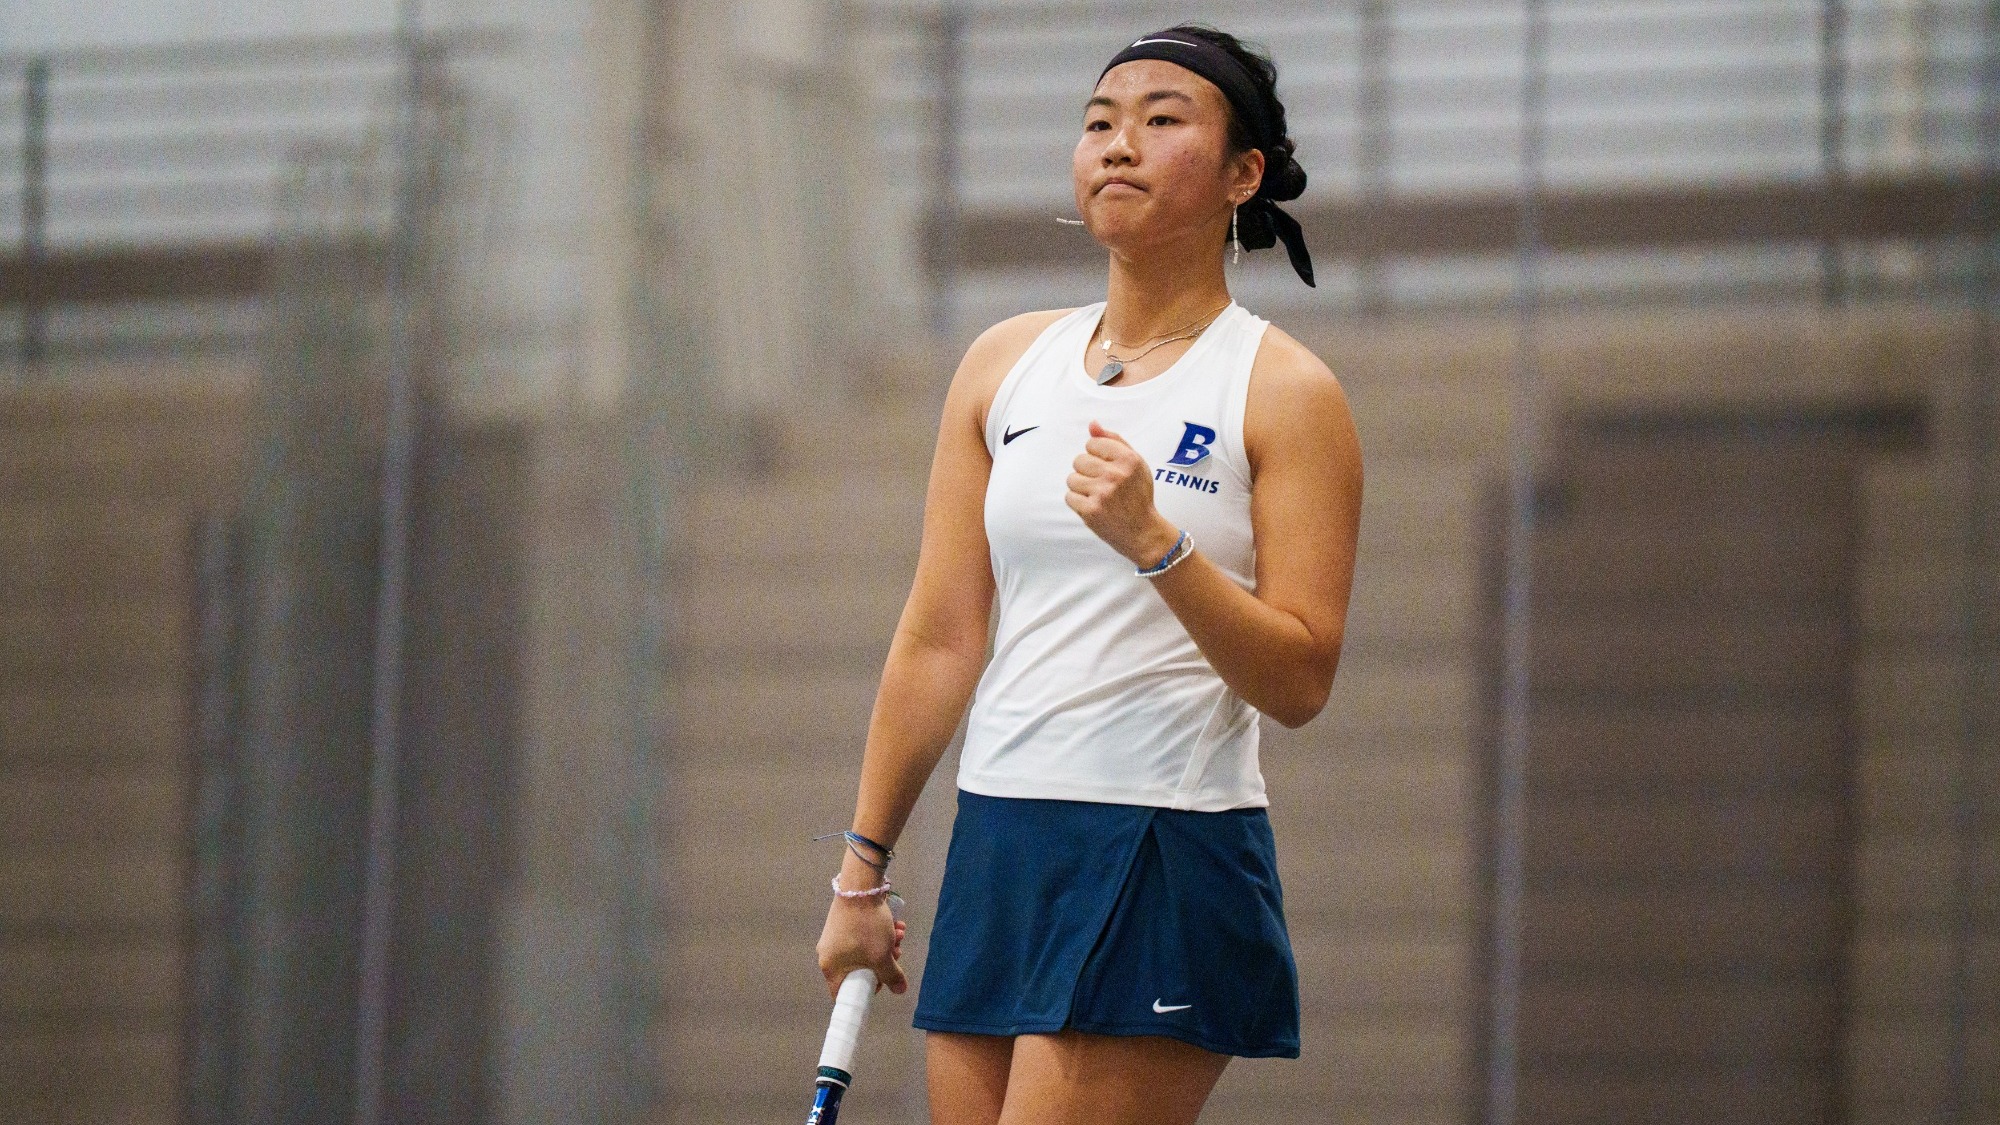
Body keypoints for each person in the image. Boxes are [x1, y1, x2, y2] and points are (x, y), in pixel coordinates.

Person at [815, 23, 1363, 1125]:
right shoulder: (1000, 365)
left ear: (1240, 175)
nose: (1118, 144)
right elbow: (938, 637)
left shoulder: (1285, 392)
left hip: (1161, 841)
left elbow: (1300, 679)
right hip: (1002, 840)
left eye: (1162, 121)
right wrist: (859, 875)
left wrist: (1158, 546)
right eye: (1098, 122)